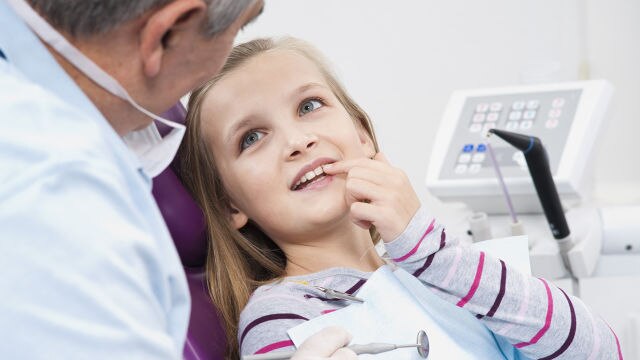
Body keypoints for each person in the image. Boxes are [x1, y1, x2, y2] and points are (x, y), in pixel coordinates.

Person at [180, 36, 624, 359]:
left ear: (362, 134)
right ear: (229, 205)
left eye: (309, 106)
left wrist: (433, 253)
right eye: (252, 137)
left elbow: (602, 351)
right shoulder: (280, 317)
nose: (297, 141)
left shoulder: (445, 270)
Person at [0, 1, 355, 359]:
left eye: (309, 106)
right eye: (241, 27)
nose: (298, 142)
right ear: (169, 32)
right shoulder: (43, 190)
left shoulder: (408, 247)